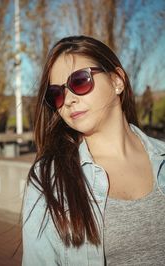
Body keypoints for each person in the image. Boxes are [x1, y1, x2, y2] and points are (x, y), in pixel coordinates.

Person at [22, 35, 165, 266]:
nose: (67, 100)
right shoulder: (48, 177)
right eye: (56, 94)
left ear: (117, 80)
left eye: (79, 81)